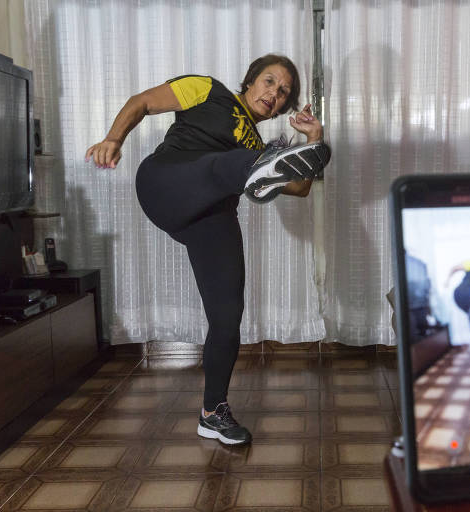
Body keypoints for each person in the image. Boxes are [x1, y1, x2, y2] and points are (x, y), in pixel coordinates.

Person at [85, 54, 330, 446]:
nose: (274, 93)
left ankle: (213, 412)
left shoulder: (256, 144)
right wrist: (114, 139)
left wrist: (313, 140)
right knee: (229, 163)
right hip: (166, 182)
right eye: (269, 81)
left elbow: (300, 189)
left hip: (210, 212)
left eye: (283, 92)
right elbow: (142, 102)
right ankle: (258, 169)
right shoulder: (209, 90)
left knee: (228, 313)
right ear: (250, 81)